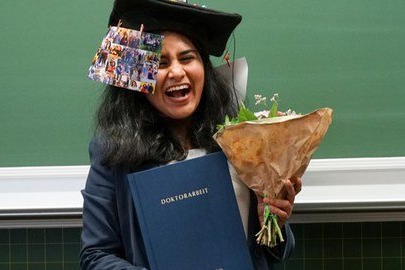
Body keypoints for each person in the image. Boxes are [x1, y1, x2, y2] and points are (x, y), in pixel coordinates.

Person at [80, 0, 302, 269]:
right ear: (141, 81)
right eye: (160, 63)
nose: (176, 72)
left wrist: (272, 222)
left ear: (204, 69)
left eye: (187, 58)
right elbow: (95, 255)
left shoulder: (240, 141)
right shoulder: (112, 153)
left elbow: (274, 252)